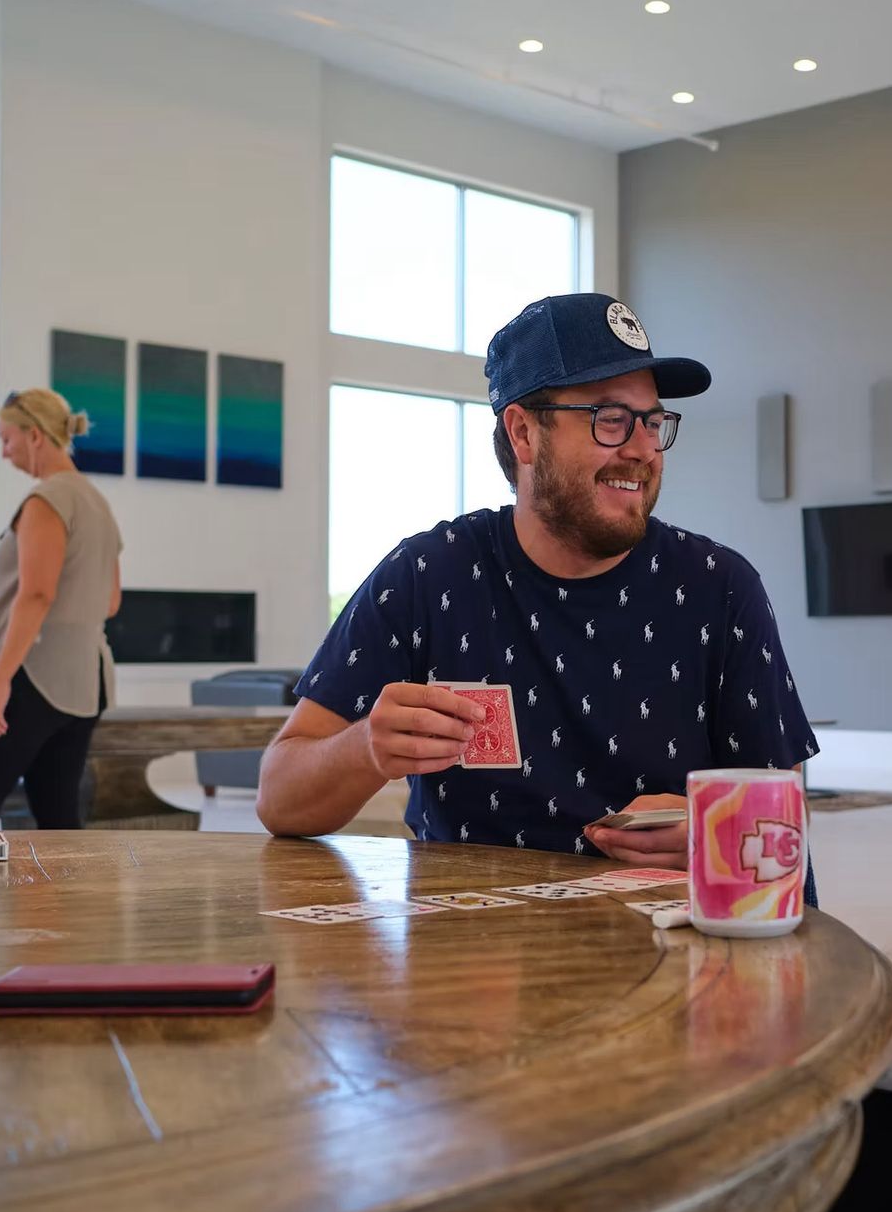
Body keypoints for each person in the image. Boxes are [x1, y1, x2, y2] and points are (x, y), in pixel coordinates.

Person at [257, 293, 817, 884]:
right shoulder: (428, 574)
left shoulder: (721, 588)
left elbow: (786, 828)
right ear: (523, 433)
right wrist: (366, 746)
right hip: (474, 956)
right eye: (610, 419)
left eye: (653, 421)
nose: (643, 448)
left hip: (671, 953)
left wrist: (718, 830)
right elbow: (280, 799)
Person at [0, 388, 123, 829]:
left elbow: (38, 593)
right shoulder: (96, 502)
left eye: (7, 439)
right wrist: (6, 614)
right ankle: (67, 901)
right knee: (58, 818)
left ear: (36, 436)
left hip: (34, 675)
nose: (4, 453)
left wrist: (0, 679)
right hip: (86, 680)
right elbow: (109, 600)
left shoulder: (47, 500)